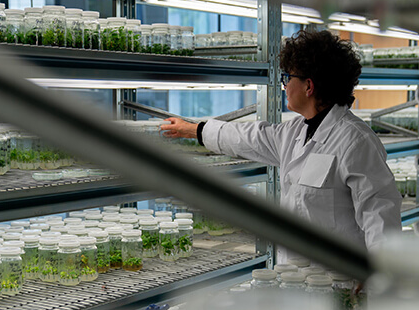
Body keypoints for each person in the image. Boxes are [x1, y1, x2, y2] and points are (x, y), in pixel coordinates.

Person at [160, 30, 402, 264]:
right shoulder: (295, 132)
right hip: (295, 279)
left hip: (338, 283)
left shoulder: (356, 141)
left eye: (288, 78)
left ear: (309, 86)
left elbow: (380, 216)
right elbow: (246, 137)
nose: (284, 86)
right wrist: (193, 129)